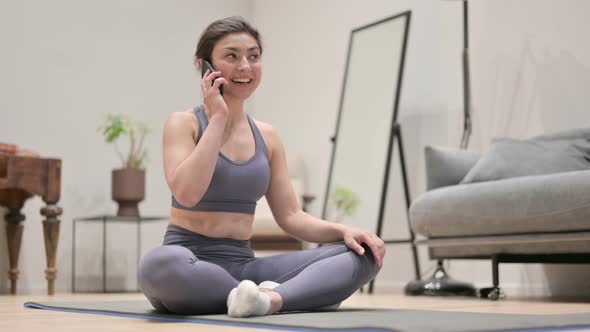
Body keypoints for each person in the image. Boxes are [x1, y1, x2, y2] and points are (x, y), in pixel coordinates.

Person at [137, 16, 385, 317]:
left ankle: (267, 300)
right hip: (190, 263)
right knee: (157, 264)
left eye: (253, 57)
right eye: (232, 56)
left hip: (246, 268)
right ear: (205, 66)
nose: (245, 66)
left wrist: (347, 231)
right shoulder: (183, 123)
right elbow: (187, 193)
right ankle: (288, 295)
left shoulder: (268, 136)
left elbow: (292, 216)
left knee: (365, 253)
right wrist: (217, 118)